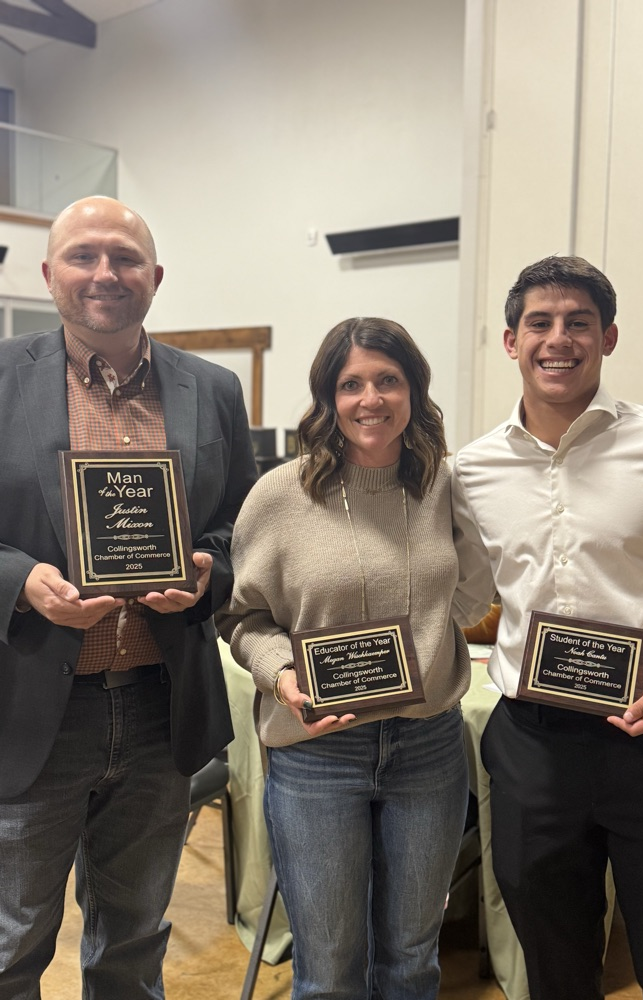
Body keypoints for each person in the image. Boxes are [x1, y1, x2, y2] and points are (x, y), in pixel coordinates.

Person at [451, 255, 643, 1000]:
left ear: (608, 337)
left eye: (578, 323)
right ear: (510, 341)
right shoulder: (473, 470)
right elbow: (462, 596)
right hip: (530, 749)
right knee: (553, 973)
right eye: (540, 323)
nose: (559, 339)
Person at [0, 196, 256, 999]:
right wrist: (20, 582)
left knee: (134, 938)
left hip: (159, 706)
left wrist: (209, 571)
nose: (105, 273)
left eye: (125, 257)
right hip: (35, 708)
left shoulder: (211, 388)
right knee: (11, 942)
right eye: (84, 255)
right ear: (49, 274)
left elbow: (240, 527)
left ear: (155, 277)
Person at [218, 317, 470, 1000]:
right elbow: (242, 618)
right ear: (327, 397)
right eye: (350, 383)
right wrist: (283, 676)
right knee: (328, 970)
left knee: (413, 959)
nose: (371, 399)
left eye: (388, 380)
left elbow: (472, 599)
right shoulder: (280, 496)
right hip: (316, 753)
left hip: (428, 749)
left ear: (413, 390)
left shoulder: (445, 486)